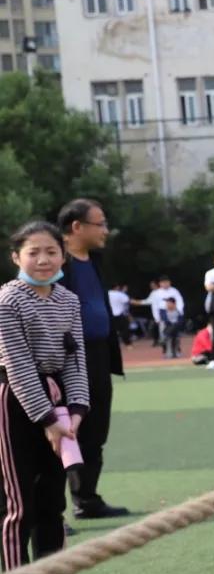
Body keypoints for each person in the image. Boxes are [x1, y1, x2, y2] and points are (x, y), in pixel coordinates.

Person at [0, 221, 95, 574]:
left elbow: (75, 358)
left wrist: (75, 410)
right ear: (16, 257)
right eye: (33, 252)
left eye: (51, 252)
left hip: (58, 403)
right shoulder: (7, 300)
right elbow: (18, 364)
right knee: (18, 503)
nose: (42, 260)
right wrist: (46, 419)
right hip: (15, 402)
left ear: (62, 254)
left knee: (52, 500)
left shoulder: (68, 300)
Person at [56, 199, 128, 520]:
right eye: (100, 224)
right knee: (61, 431)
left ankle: (87, 499)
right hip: (64, 359)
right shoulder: (54, 262)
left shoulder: (95, 260)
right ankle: (49, 510)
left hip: (97, 355)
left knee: (95, 431)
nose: (106, 231)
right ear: (76, 227)